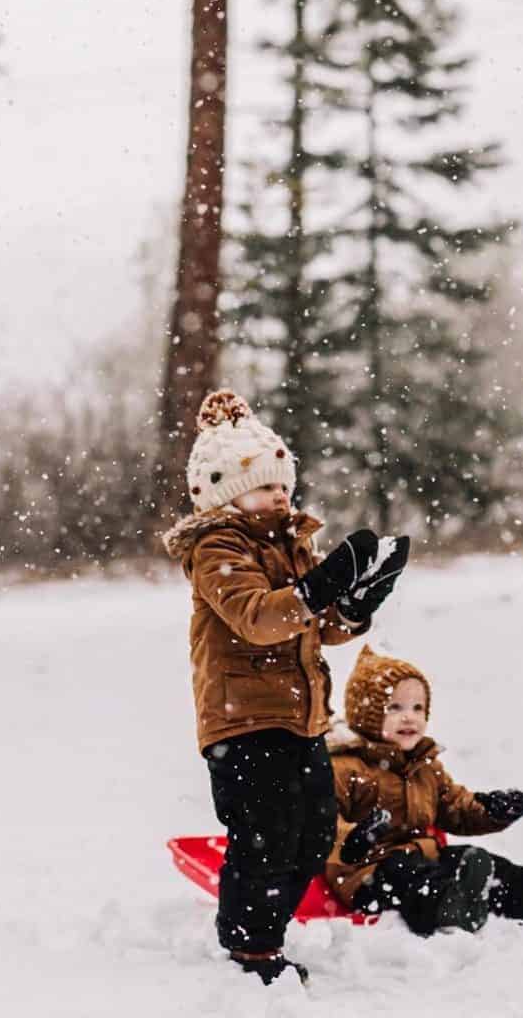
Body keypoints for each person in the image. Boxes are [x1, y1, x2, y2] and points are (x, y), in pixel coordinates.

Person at [163, 390, 410, 984]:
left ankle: (266, 927)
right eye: (264, 487)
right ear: (224, 494)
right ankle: (251, 948)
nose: (280, 496)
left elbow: (313, 628)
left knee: (314, 833)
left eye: (283, 484)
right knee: (266, 833)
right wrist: (321, 583)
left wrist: (354, 604)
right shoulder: (216, 547)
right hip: (243, 719)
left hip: (303, 717)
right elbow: (258, 616)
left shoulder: (288, 542)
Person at [325, 645, 523, 935]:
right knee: (408, 874)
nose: (409, 717)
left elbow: (455, 808)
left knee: (471, 860)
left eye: (417, 708)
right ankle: (447, 908)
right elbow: (322, 822)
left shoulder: (425, 767)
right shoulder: (346, 768)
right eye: (395, 707)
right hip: (366, 873)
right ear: (366, 716)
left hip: (424, 855)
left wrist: (492, 809)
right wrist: (356, 836)